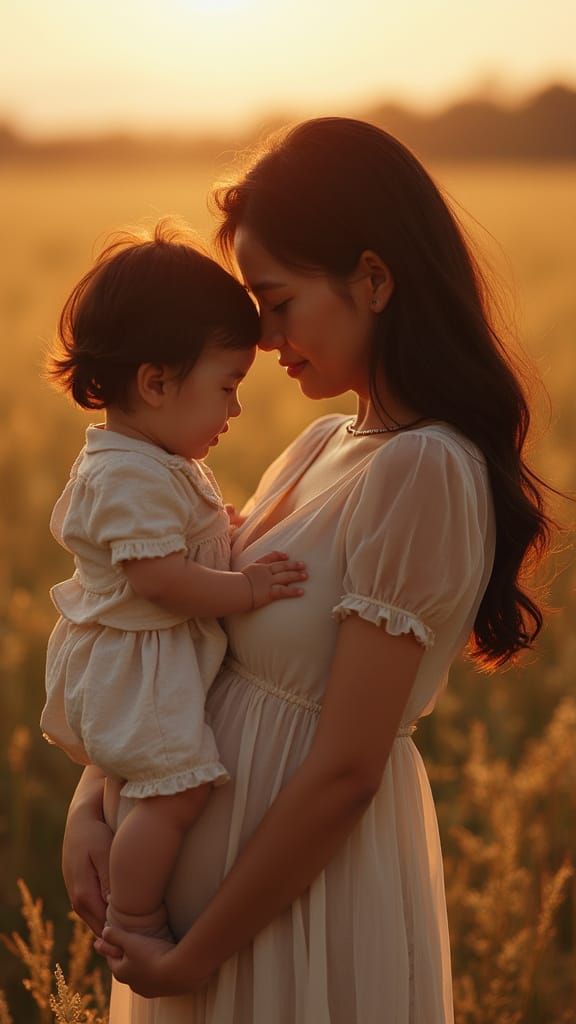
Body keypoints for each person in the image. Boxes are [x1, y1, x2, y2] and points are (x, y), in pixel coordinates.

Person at [62, 119, 550, 1023]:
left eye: (277, 301)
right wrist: (96, 800)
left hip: (294, 920)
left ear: (373, 279)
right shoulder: (324, 443)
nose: (262, 334)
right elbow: (175, 632)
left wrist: (196, 954)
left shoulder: (424, 469)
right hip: (210, 922)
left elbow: (347, 773)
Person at [41, 219, 308, 943]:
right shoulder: (126, 473)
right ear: (156, 383)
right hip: (137, 667)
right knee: (176, 791)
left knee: (159, 788)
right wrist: (246, 588)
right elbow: (160, 578)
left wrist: (216, 530)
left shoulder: (148, 459)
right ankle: (133, 917)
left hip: (142, 661)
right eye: (226, 387)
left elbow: (175, 544)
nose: (235, 409)